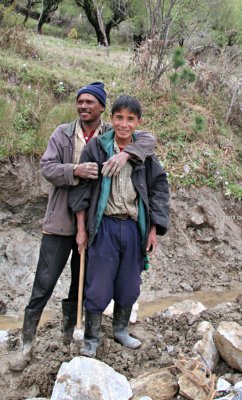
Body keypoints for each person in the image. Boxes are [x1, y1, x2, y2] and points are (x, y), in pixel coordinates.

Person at [9, 83, 156, 371]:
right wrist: (74, 170)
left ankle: (68, 336)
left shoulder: (110, 136)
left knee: (82, 282)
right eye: (81, 101)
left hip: (93, 223)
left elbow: (147, 141)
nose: (84, 106)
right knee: (44, 283)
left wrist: (125, 154)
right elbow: (47, 167)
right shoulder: (63, 133)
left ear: (103, 108)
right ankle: (26, 345)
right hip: (61, 222)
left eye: (91, 102)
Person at [69, 94, 169, 357]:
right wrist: (81, 229)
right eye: (119, 118)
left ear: (138, 122)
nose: (124, 124)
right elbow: (81, 191)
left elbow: (158, 190)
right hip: (104, 227)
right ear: (111, 119)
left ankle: (121, 330)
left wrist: (153, 229)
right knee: (98, 283)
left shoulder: (144, 154)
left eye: (130, 119)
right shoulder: (98, 148)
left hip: (134, 228)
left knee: (129, 283)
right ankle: (91, 337)